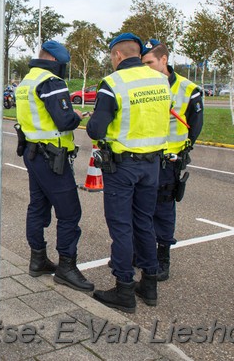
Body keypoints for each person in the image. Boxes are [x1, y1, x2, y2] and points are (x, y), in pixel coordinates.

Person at [86, 33, 171, 313]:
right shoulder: (161, 80)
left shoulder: (113, 83)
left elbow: (97, 130)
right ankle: (150, 284)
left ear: (117, 55)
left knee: (121, 226)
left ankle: (124, 288)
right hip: (153, 164)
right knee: (144, 222)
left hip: (123, 167)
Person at [15, 40, 94, 292]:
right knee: (69, 212)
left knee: (38, 205)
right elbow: (63, 120)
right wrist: (76, 116)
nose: (64, 70)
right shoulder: (51, 82)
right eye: (64, 65)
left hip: (34, 152)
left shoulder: (26, 81)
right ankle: (66, 268)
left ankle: (37, 260)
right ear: (55, 61)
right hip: (52, 157)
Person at [141, 39, 203, 281]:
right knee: (141, 206)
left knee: (163, 208)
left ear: (164, 60)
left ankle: (163, 257)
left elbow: (194, 127)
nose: (146, 67)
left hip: (168, 161)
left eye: (150, 62)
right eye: (143, 63)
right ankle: (141, 252)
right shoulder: (142, 85)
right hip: (144, 158)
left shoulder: (188, 90)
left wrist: (182, 152)